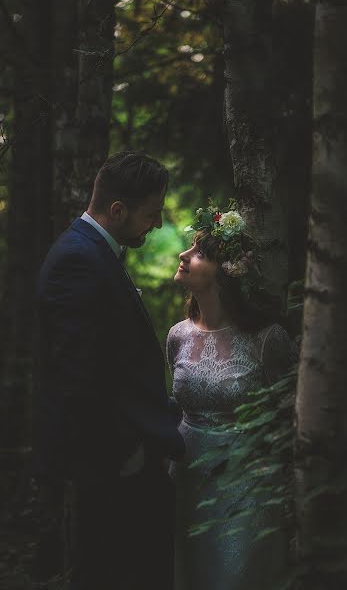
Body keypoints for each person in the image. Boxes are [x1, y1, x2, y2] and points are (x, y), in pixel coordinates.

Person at [33, 151, 185, 590]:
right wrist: (126, 453)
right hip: (111, 469)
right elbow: (77, 375)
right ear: (117, 210)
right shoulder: (78, 260)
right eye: (152, 215)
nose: (156, 225)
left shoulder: (91, 252)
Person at [167, 200, 297, 590]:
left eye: (199, 253)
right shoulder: (177, 335)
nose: (183, 255)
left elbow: (287, 419)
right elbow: (173, 408)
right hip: (186, 480)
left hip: (245, 489)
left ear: (227, 272)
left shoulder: (267, 339)